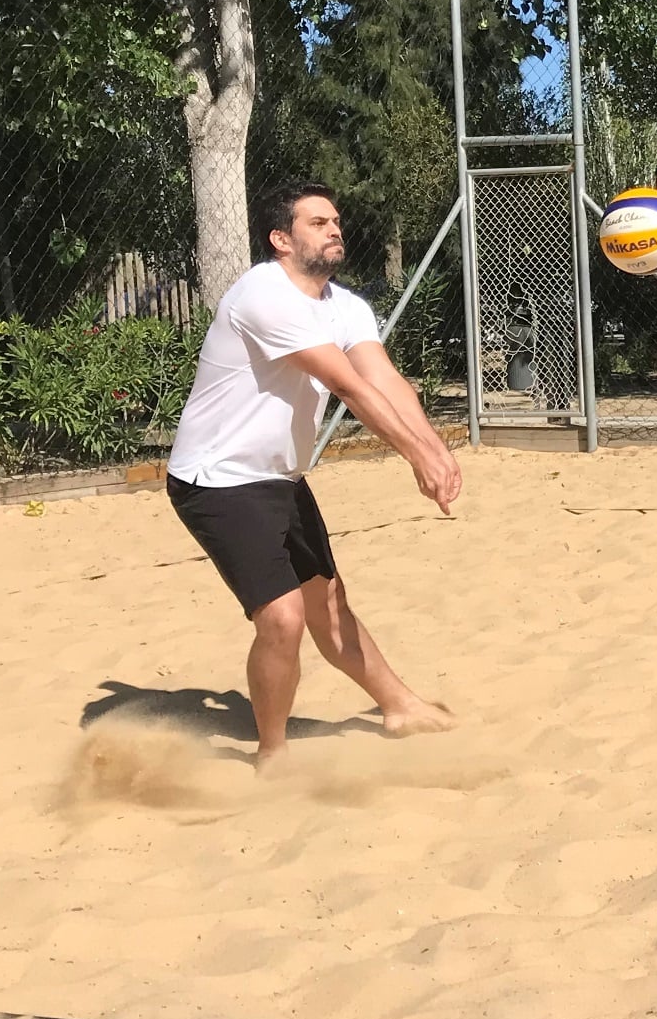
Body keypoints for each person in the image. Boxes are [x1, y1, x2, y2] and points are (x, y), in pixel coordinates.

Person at [164, 182, 463, 763]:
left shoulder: (346, 306)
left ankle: (399, 705)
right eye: (317, 222)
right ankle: (271, 756)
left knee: (328, 605)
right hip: (219, 480)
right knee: (284, 617)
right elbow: (348, 386)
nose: (334, 229)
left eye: (336, 221)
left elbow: (384, 379)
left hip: (280, 477)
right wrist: (416, 456)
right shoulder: (263, 295)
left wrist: (436, 446)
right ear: (281, 239)